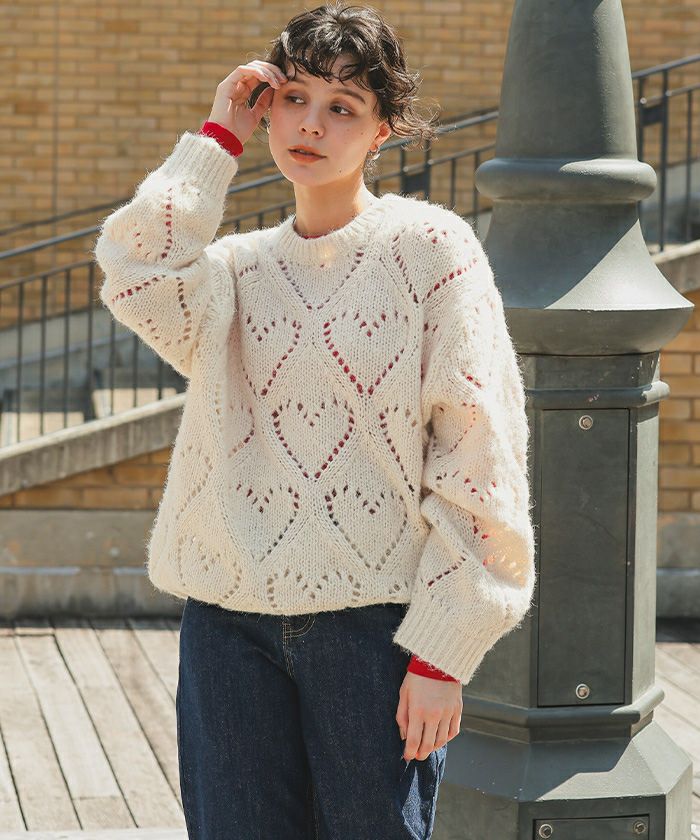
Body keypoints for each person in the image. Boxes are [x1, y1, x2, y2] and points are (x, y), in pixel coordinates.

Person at [93, 3, 537, 838]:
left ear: (382, 130)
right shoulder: (232, 272)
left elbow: (479, 451)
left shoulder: (430, 250)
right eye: (294, 98)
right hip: (227, 624)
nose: (311, 125)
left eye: (343, 107)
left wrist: (443, 652)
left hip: (375, 630)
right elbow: (134, 267)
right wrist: (216, 138)